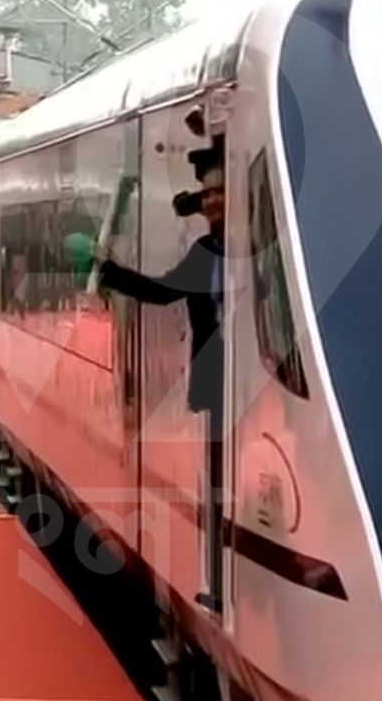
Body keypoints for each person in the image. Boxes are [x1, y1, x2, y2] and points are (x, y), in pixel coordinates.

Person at [96, 154, 226, 610]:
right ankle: (218, 572)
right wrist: (111, 273)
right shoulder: (207, 253)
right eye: (207, 196)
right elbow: (164, 292)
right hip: (215, 378)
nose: (212, 204)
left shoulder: (255, 250)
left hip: (253, 379)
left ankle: (225, 571)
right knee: (216, 473)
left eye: (220, 194)